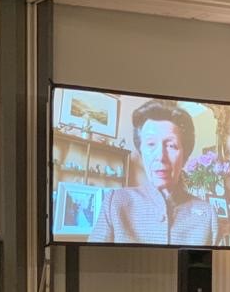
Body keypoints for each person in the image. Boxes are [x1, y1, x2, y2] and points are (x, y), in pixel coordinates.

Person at [88, 99, 218, 246]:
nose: (160, 156)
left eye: (171, 145)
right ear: (141, 152)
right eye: (151, 144)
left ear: (185, 156)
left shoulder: (207, 215)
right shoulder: (116, 202)